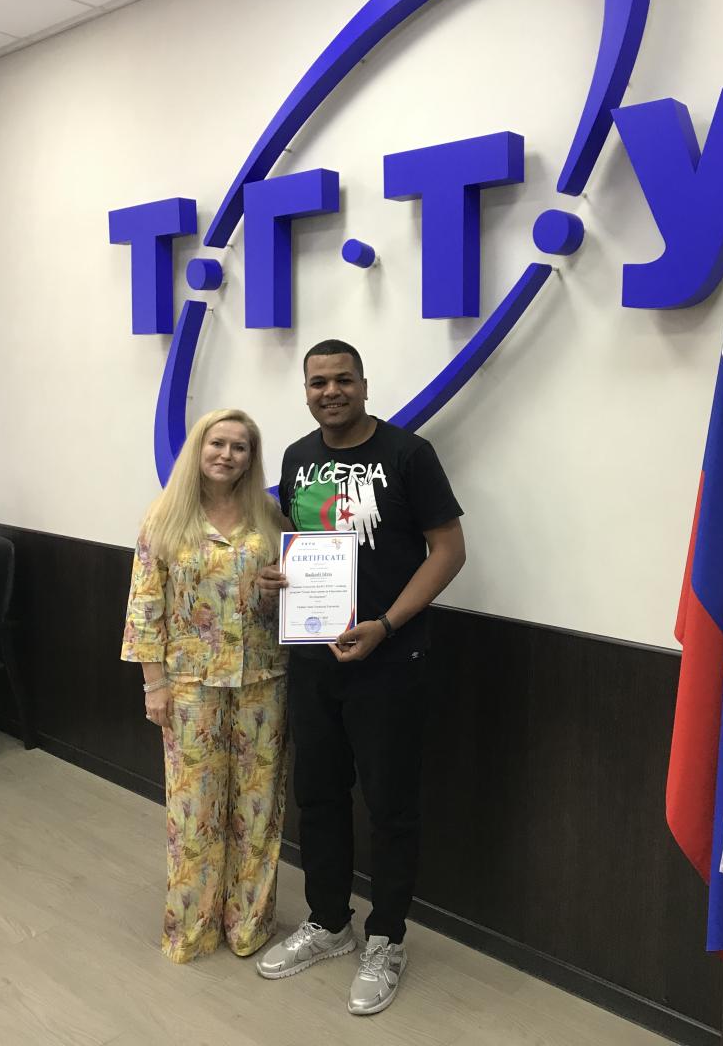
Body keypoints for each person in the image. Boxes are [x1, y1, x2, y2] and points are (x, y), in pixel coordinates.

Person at [256, 340, 465, 1015]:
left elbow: (449, 550)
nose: (330, 391)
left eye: (342, 379)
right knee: (317, 795)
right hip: (314, 659)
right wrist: (280, 577)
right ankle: (328, 922)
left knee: (391, 806)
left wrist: (387, 623)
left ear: (364, 385)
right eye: (318, 382)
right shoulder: (297, 457)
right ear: (306, 391)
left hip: (390, 661)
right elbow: (302, 545)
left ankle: (387, 938)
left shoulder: (408, 454)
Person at [121, 408, 289, 963]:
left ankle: (248, 924)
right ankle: (192, 928)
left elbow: (286, 596)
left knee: (258, 807)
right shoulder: (166, 516)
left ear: (251, 457)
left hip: (263, 678)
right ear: (199, 448)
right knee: (194, 808)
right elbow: (145, 605)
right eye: (218, 443)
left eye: (240, 447)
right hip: (190, 683)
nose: (227, 454)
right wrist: (153, 685)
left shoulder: (269, 516)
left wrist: (278, 588)